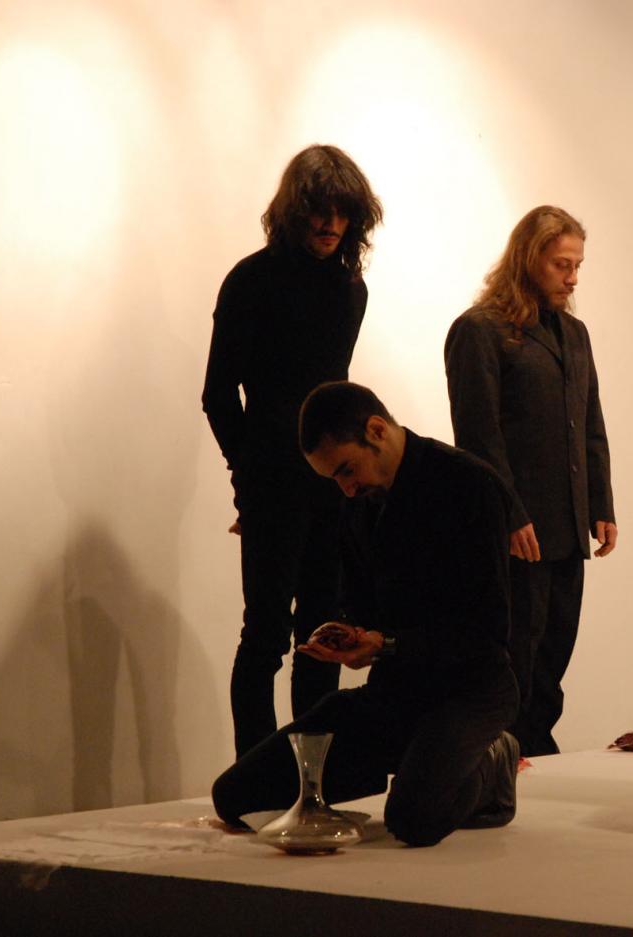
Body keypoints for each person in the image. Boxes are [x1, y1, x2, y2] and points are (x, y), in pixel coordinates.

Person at [211, 381, 520, 847]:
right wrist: (350, 635)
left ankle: (494, 760)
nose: (346, 488)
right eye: (334, 479)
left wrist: (387, 644)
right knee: (234, 796)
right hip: (394, 692)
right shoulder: (359, 504)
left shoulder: (469, 484)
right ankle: (422, 758)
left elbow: (488, 631)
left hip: (470, 691)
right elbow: (362, 604)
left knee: (414, 819)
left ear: (377, 430)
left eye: (347, 470)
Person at [201, 144, 384, 757]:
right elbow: (218, 394)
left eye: (342, 213)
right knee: (265, 636)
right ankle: (255, 784)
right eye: (319, 212)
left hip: (333, 488)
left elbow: (332, 392)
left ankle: (314, 781)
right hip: (274, 484)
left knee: (322, 639)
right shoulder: (251, 281)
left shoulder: (350, 289)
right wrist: (248, 478)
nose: (331, 225)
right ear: (294, 212)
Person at [443, 205, 617, 757]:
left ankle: (537, 751)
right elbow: (478, 437)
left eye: (578, 265)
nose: (572, 278)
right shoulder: (480, 331)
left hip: (566, 526)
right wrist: (509, 514)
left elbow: (590, 424)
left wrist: (601, 504)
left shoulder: (574, 334)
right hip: (515, 530)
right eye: (562, 265)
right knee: (513, 654)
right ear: (528, 259)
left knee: (553, 653)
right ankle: (503, 758)